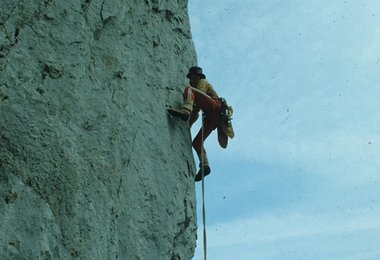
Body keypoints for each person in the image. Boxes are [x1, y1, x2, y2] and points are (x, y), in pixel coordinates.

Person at [168, 66, 234, 181]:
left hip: (215, 107)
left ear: (199, 77)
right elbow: (197, 109)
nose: (192, 80)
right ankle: (205, 165)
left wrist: (187, 112)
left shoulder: (202, 82)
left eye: (195, 78)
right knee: (197, 143)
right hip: (213, 119)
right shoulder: (197, 88)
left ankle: (185, 110)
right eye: (191, 78)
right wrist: (189, 124)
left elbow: (198, 101)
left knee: (189, 90)